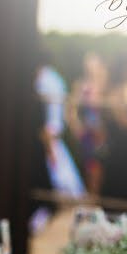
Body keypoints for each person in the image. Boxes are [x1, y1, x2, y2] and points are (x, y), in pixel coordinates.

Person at [35, 62, 85, 198]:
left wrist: (50, 148)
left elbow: (52, 122)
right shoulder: (52, 79)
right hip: (48, 140)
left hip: (47, 141)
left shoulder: (48, 81)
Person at [68, 52, 109, 196]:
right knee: (90, 167)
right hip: (87, 136)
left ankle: (94, 198)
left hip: (101, 135)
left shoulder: (104, 85)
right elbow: (71, 109)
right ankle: (91, 198)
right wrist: (76, 127)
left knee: (98, 167)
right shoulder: (81, 85)